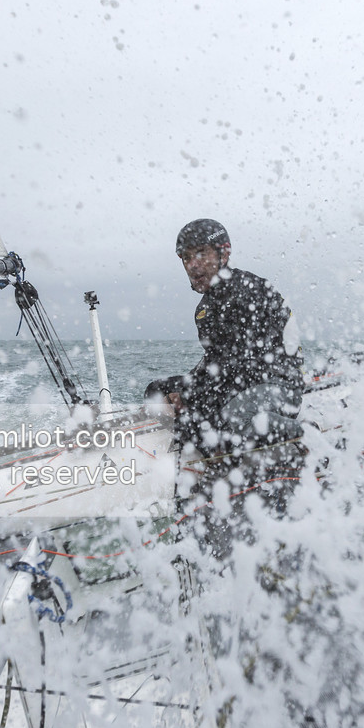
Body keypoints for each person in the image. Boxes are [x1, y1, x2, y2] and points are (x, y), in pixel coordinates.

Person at [147, 219, 305, 555]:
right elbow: (214, 364)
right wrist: (174, 390)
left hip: (278, 386)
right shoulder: (207, 307)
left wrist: (191, 395)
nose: (193, 265)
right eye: (186, 259)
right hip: (240, 385)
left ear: (224, 253)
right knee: (157, 390)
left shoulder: (248, 291)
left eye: (200, 254)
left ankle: (302, 438)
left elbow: (243, 366)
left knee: (232, 416)